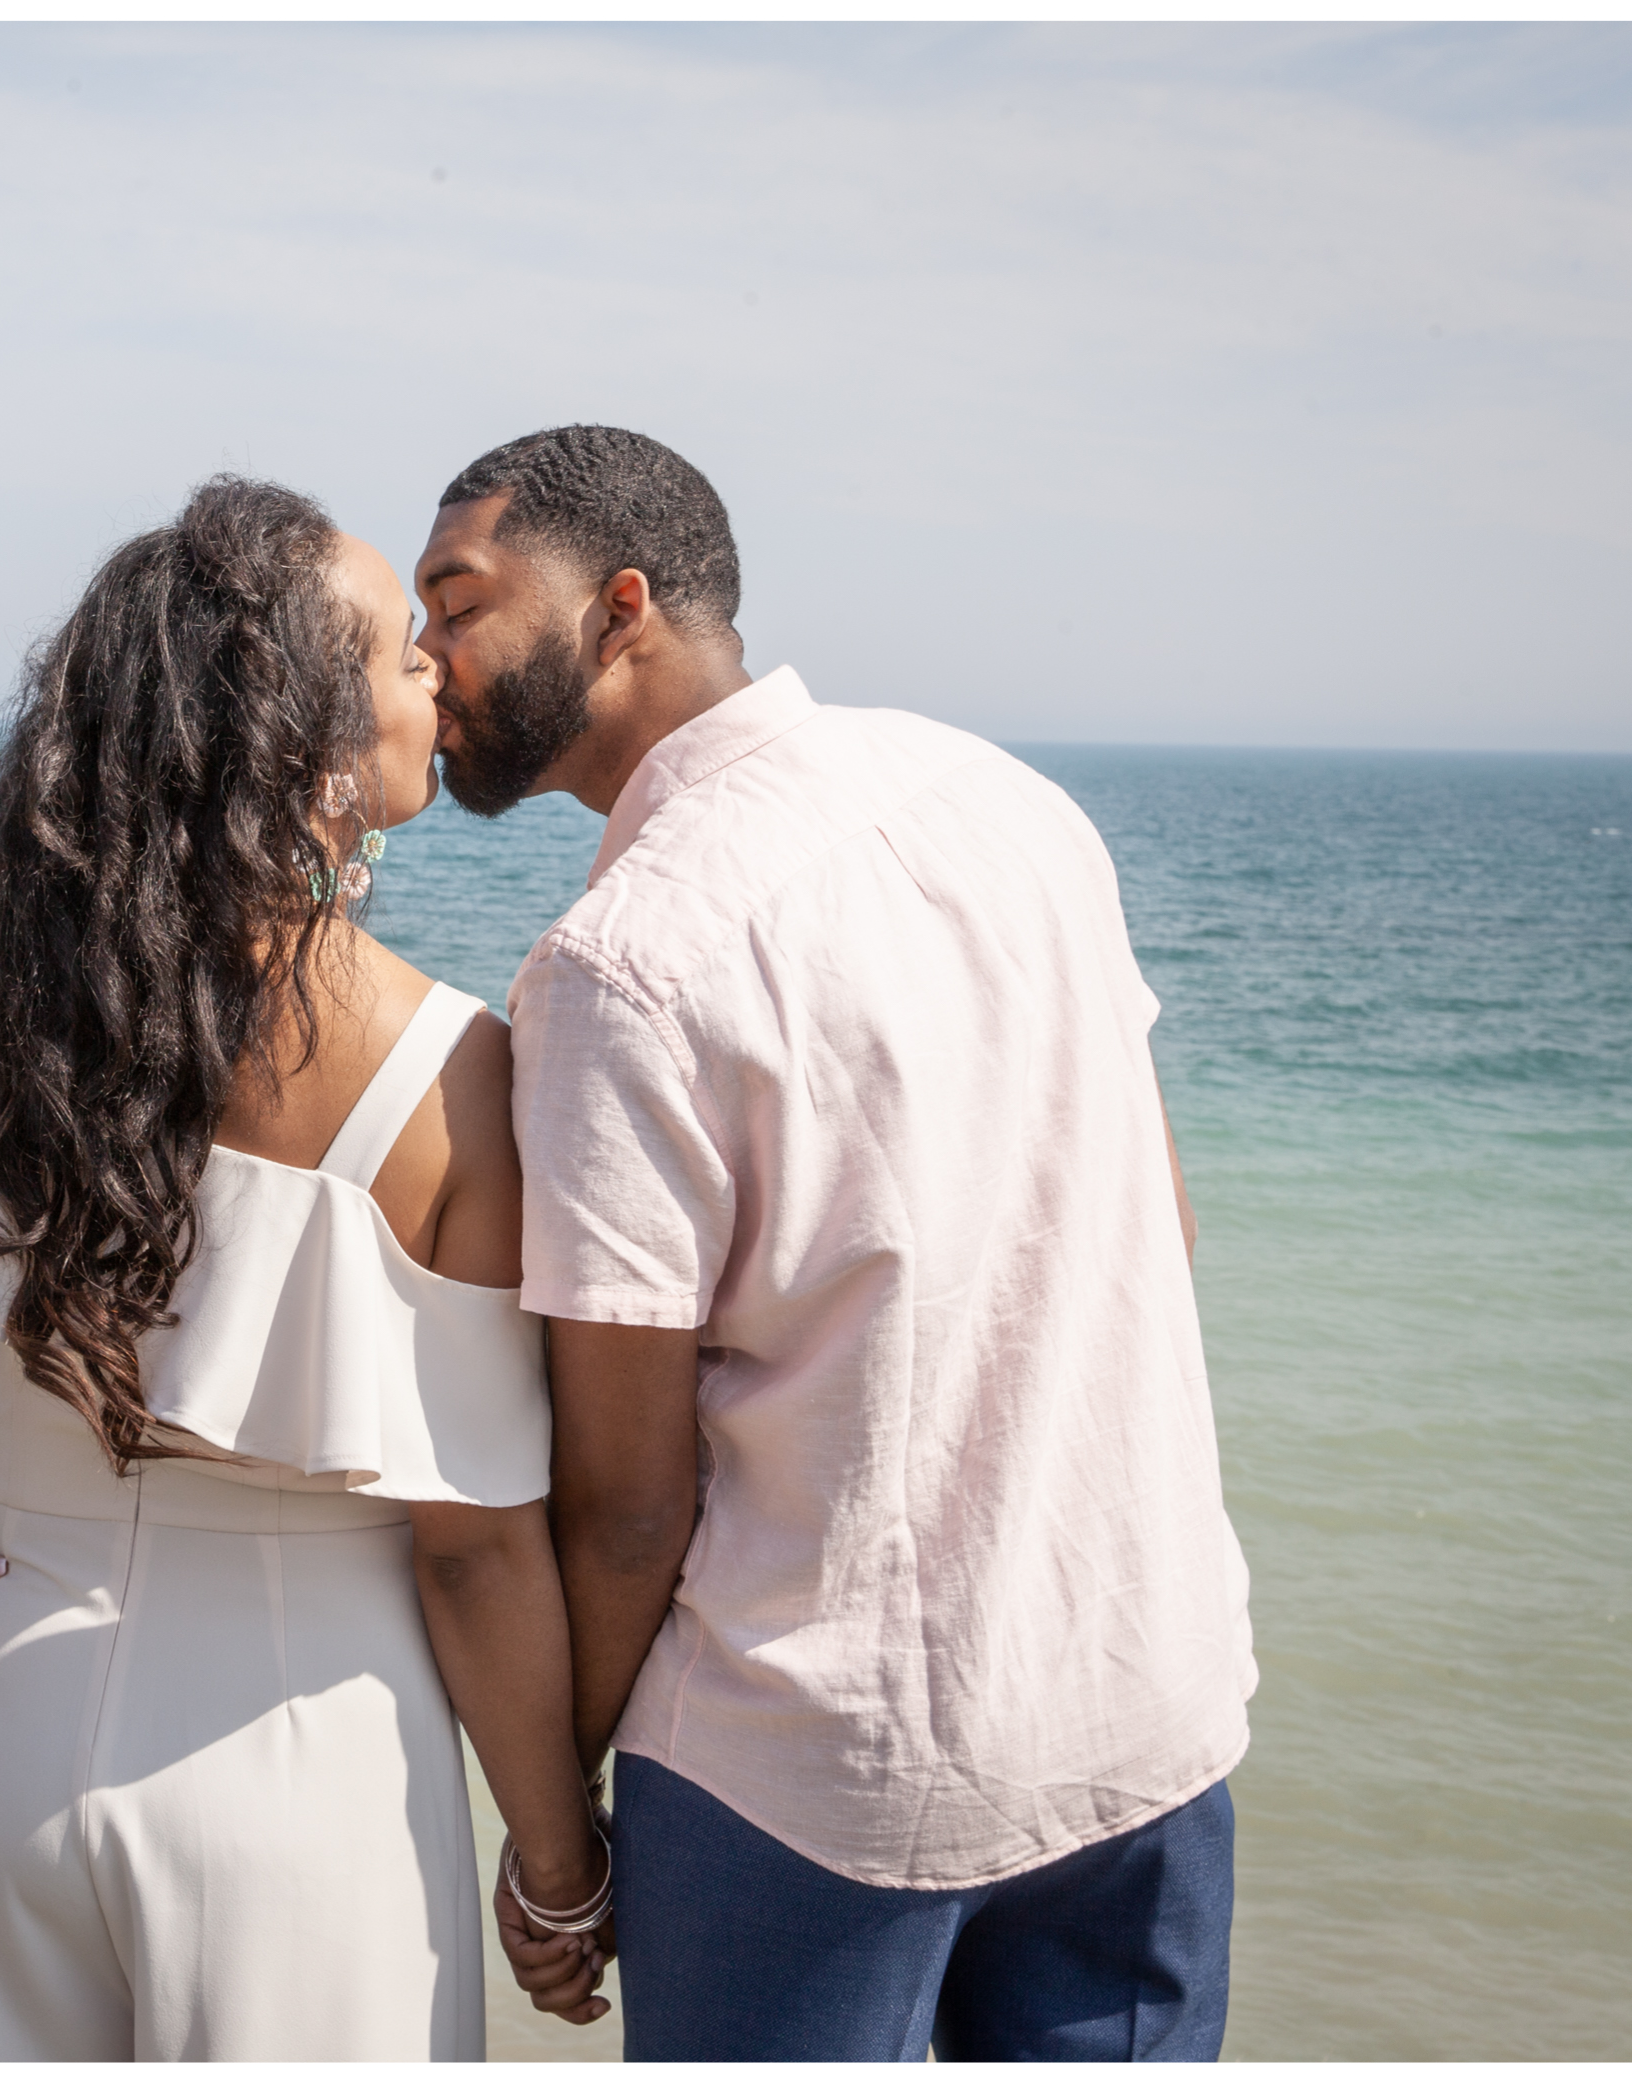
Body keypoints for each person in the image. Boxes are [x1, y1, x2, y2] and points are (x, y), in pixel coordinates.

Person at [0, 476, 610, 2060]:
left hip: (10, 1716)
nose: (433, 662)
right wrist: (558, 1868)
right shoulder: (452, 1072)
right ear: (299, 745)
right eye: (391, 646)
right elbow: (470, 1556)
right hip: (304, 1753)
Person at [414, 424, 1259, 2060]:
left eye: (459, 601)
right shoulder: (1009, 798)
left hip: (812, 1779)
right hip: (1142, 1700)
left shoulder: (619, 962)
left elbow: (629, 1497)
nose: (422, 657)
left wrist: (559, 1842)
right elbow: (1166, 1218)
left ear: (619, 608)